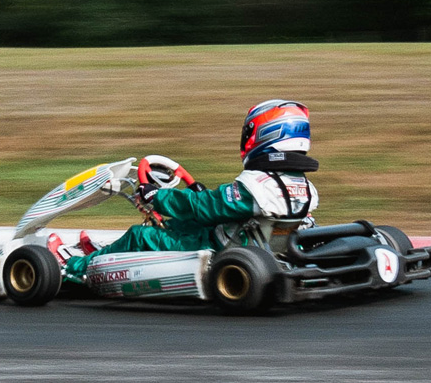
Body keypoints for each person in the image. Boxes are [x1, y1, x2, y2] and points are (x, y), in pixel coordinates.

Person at [52, 99, 321, 282]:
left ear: (266, 135)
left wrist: (157, 197)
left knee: (141, 236)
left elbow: (204, 207)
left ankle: (72, 268)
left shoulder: (259, 186)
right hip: (251, 245)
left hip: (219, 250)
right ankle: (102, 252)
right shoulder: (303, 188)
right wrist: (196, 193)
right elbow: (223, 207)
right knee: (174, 228)